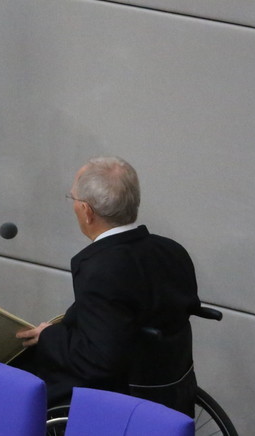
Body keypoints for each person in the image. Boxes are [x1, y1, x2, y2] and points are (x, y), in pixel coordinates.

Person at [15, 156, 200, 417]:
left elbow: (97, 360)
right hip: (171, 387)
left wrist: (48, 336)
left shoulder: (101, 268)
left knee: (12, 383)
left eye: (73, 199)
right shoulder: (171, 251)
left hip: (117, 392)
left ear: (87, 211)